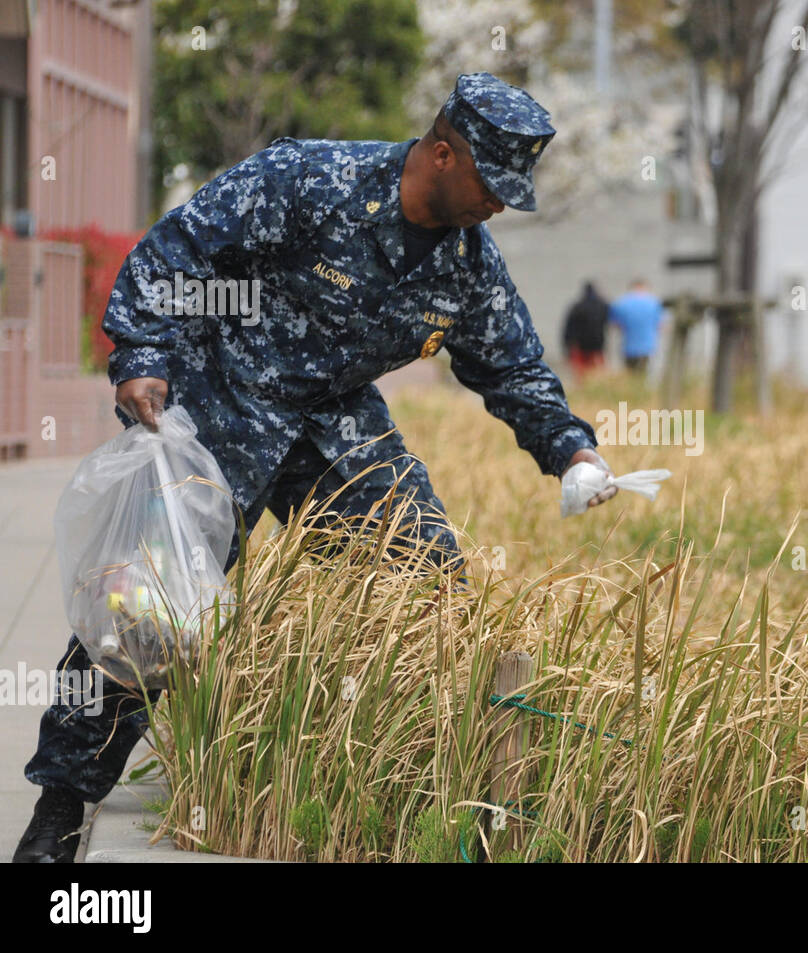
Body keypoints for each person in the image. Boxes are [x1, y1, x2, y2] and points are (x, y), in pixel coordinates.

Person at [13, 72, 618, 863]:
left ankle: (383, 779)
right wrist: (141, 353)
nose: (499, 204)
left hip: (334, 424)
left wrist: (571, 449)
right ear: (442, 153)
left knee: (424, 576)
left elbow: (514, 370)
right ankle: (62, 803)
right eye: (491, 183)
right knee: (146, 609)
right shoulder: (307, 180)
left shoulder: (469, 267)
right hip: (219, 403)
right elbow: (178, 249)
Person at [608, 278, 664, 373]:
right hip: (647, 346)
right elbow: (660, 325)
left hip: (628, 346)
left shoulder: (621, 303)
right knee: (643, 372)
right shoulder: (654, 302)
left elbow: (615, 324)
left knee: (630, 373)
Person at [562, 281, 608, 380]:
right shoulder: (603, 305)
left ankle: (583, 387)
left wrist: (567, 346)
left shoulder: (577, 307)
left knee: (581, 373)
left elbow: (568, 329)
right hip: (598, 344)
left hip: (581, 345)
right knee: (598, 371)